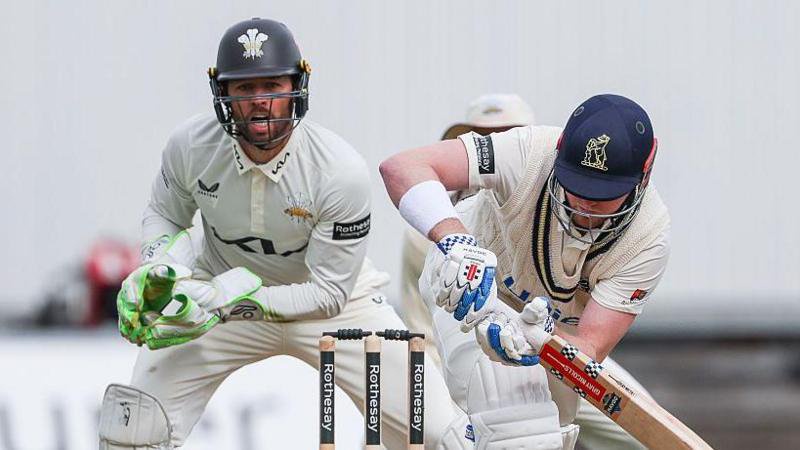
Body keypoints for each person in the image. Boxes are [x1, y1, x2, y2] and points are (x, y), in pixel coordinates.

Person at [98, 18, 472, 449]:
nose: (261, 102)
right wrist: (159, 270)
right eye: (244, 89)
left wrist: (226, 302)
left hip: (332, 306)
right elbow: (165, 215)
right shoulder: (190, 146)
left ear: (297, 85)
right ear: (223, 94)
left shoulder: (338, 170)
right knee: (132, 428)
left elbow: (329, 292)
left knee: (439, 434)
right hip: (217, 296)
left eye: (273, 85)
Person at [381, 94, 669, 449]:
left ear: (642, 177)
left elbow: (590, 347)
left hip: (555, 333)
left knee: (555, 435)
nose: (583, 204)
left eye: (602, 194)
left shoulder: (648, 238)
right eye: (576, 185)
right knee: (512, 426)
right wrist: (458, 243)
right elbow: (401, 167)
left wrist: (541, 341)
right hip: (472, 288)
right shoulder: (530, 151)